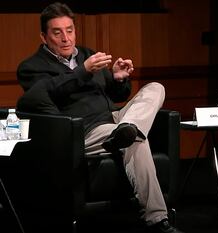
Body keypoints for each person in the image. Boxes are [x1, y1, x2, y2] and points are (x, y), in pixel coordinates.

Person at [16, 2, 183, 233]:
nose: (66, 38)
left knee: (155, 88)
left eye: (70, 30)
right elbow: (48, 91)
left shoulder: (88, 54)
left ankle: (127, 128)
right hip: (84, 131)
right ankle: (157, 220)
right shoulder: (32, 67)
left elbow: (116, 95)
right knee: (136, 139)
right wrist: (83, 71)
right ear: (44, 36)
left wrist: (118, 78)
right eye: (57, 32)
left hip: (114, 118)